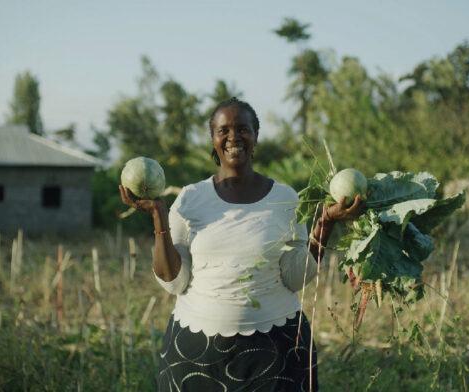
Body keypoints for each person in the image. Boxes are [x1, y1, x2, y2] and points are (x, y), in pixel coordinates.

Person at [119, 98, 365, 391]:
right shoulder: (190, 198)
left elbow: (295, 278)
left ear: (255, 136)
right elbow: (175, 282)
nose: (233, 137)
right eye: (223, 130)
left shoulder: (285, 198)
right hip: (197, 354)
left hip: (276, 351)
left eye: (243, 129)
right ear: (213, 138)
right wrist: (159, 214)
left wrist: (326, 222)